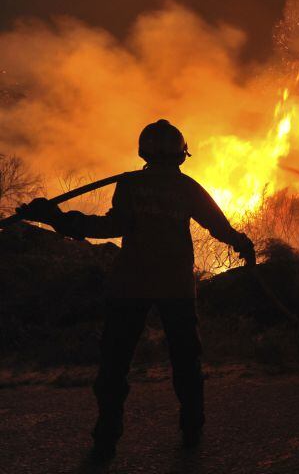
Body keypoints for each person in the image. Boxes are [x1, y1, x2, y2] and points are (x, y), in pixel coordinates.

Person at [15, 119, 255, 460]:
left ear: (143, 151)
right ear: (181, 155)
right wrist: (243, 244)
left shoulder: (130, 184)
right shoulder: (188, 188)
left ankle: (106, 439)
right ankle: (191, 429)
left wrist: (55, 217)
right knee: (186, 361)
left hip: (130, 285)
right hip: (176, 288)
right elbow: (219, 226)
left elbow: (110, 226)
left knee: (114, 364)